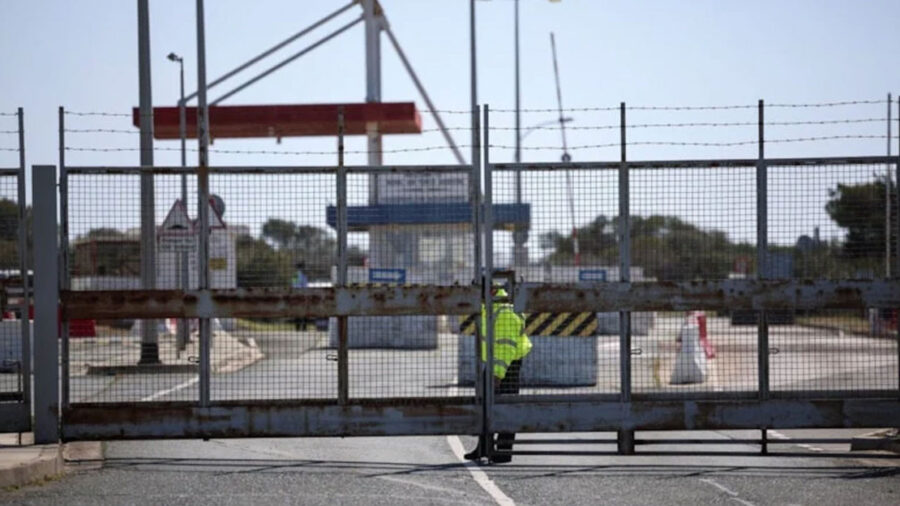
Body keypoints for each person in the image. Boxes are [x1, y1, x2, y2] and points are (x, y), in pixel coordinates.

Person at [465, 281, 532, 464]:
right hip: (497, 363)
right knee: (486, 404)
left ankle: (503, 451)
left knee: (507, 406)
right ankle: (484, 447)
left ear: (491, 291)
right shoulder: (491, 308)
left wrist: (497, 374)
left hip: (506, 365)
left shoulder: (504, 312)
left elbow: (506, 347)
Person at [293, 262, 310, 330]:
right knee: (304, 311)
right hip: (303, 294)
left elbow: (294, 285)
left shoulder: (295, 275)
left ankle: (297, 327)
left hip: (297, 294)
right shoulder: (304, 275)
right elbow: (305, 286)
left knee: (297, 311)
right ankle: (304, 327)